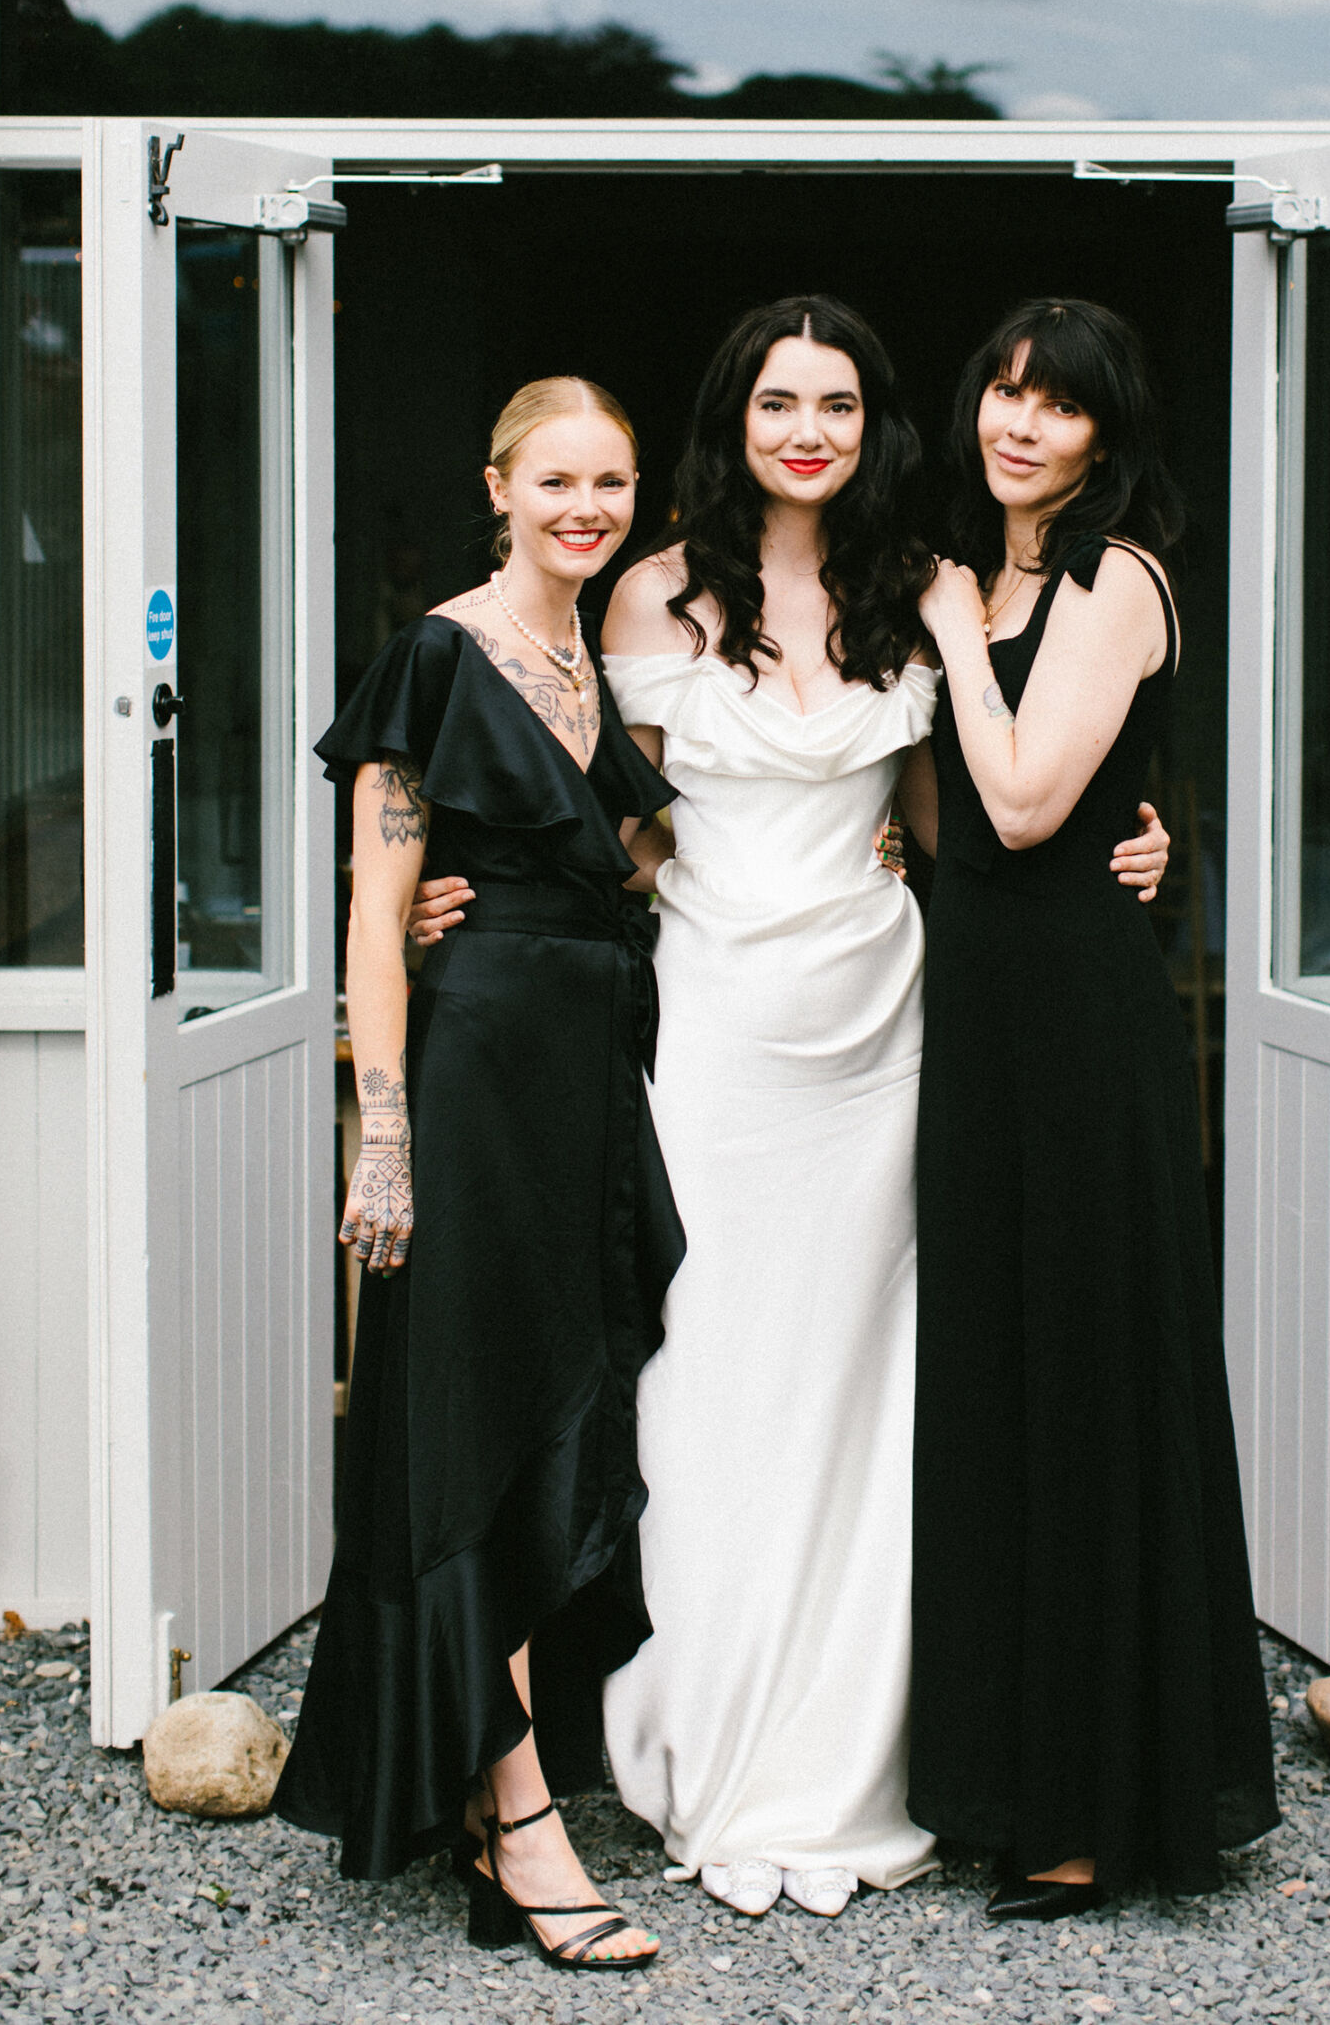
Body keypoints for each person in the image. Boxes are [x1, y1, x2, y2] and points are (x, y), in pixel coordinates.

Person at [411, 297, 1171, 1922]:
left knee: (867, 1390)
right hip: (718, 1029)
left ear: (875, 420)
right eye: (778, 401)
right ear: (735, 421)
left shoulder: (920, 589)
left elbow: (967, 807)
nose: (808, 427)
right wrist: (436, 894)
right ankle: (705, 1741)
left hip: (884, 1031)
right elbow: (585, 812)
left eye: (836, 399)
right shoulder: (648, 591)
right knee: (709, 1382)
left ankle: (865, 1753)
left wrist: (1144, 838)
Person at [272, 378, 682, 1976]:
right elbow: (377, 915)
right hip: (477, 1081)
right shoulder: (439, 656)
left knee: (548, 1425)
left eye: (611, 484)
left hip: (588, 1082)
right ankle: (517, 1822)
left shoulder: (593, 660)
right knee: (466, 1436)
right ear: (498, 484)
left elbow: (626, 855)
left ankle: (486, 1778)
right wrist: (384, 1130)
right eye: (556, 481)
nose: (585, 508)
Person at [908, 298, 1279, 1918]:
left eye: (1055, 406)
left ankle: (1101, 1804)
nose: (1018, 423)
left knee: (1085, 1387)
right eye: (1002, 390)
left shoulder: (1113, 580)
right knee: (994, 1385)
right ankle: (996, 1775)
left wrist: (937, 626)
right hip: (978, 1015)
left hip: (1076, 1026)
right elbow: (939, 822)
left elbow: (1023, 793)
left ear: (1105, 438)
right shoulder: (976, 582)